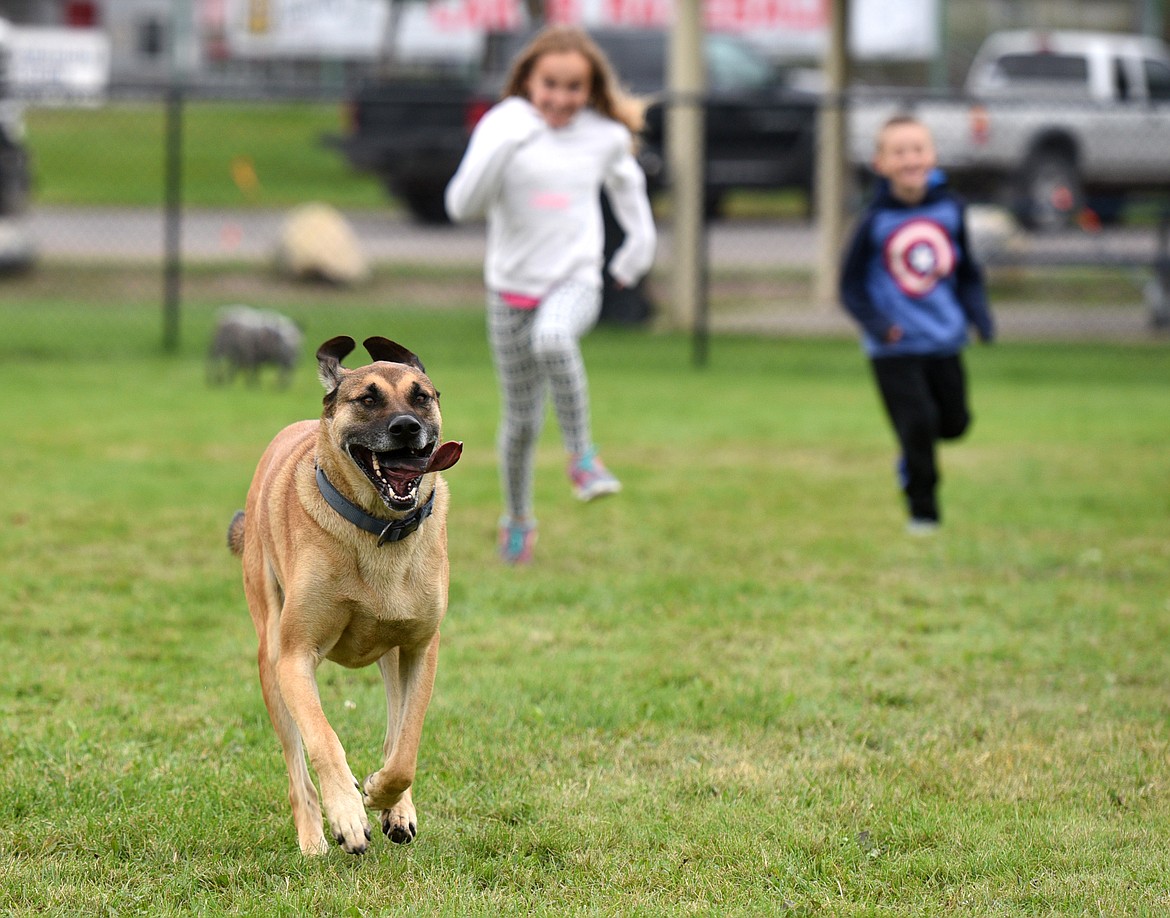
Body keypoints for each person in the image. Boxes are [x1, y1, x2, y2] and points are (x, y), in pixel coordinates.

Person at [445, 25, 657, 563]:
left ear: (591, 89)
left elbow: (631, 192)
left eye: (574, 87)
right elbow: (462, 205)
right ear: (528, 80)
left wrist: (636, 253)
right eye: (550, 84)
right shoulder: (504, 125)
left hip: (575, 281)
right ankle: (517, 521)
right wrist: (508, 143)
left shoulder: (603, 135)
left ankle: (583, 457)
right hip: (509, 292)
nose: (561, 98)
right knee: (519, 424)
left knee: (555, 337)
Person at [839, 114, 995, 534]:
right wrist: (878, 325)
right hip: (895, 347)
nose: (910, 158)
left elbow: (967, 272)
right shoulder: (873, 221)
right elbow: (849, 286)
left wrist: (979, 316)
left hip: (944, 339)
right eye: (899, 151)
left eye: (917, 149)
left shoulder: (951, 210)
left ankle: (911, 455)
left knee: (955, 424)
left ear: (932, 156)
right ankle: (923, 512)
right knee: (919, 424)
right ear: (881, 164)